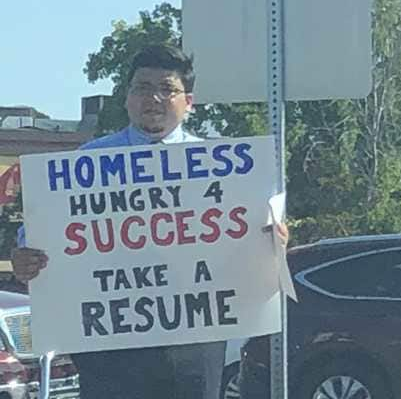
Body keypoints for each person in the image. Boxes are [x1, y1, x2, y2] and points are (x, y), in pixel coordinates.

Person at [10, 44, 289, 399]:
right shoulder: (85, 164)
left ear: (188, 102)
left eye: (167, 89)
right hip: (107, 344)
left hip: (195, 342)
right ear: (127, 97)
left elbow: (262, 244)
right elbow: (33, 242)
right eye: (142, 88)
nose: (153, 98)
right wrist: (25, 259)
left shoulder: (226, 168)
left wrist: (273, 241)